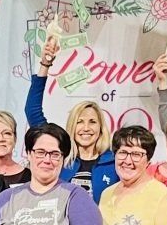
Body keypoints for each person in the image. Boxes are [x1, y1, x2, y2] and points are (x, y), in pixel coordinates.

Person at [27, 37, 113, 199]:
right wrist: (45, 64)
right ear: (72, 126)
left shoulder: (114, 162)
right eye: (79, 122)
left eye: (92, 122)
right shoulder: (59, 156)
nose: (86, 128)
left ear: (101, 128)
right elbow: (32, 110)